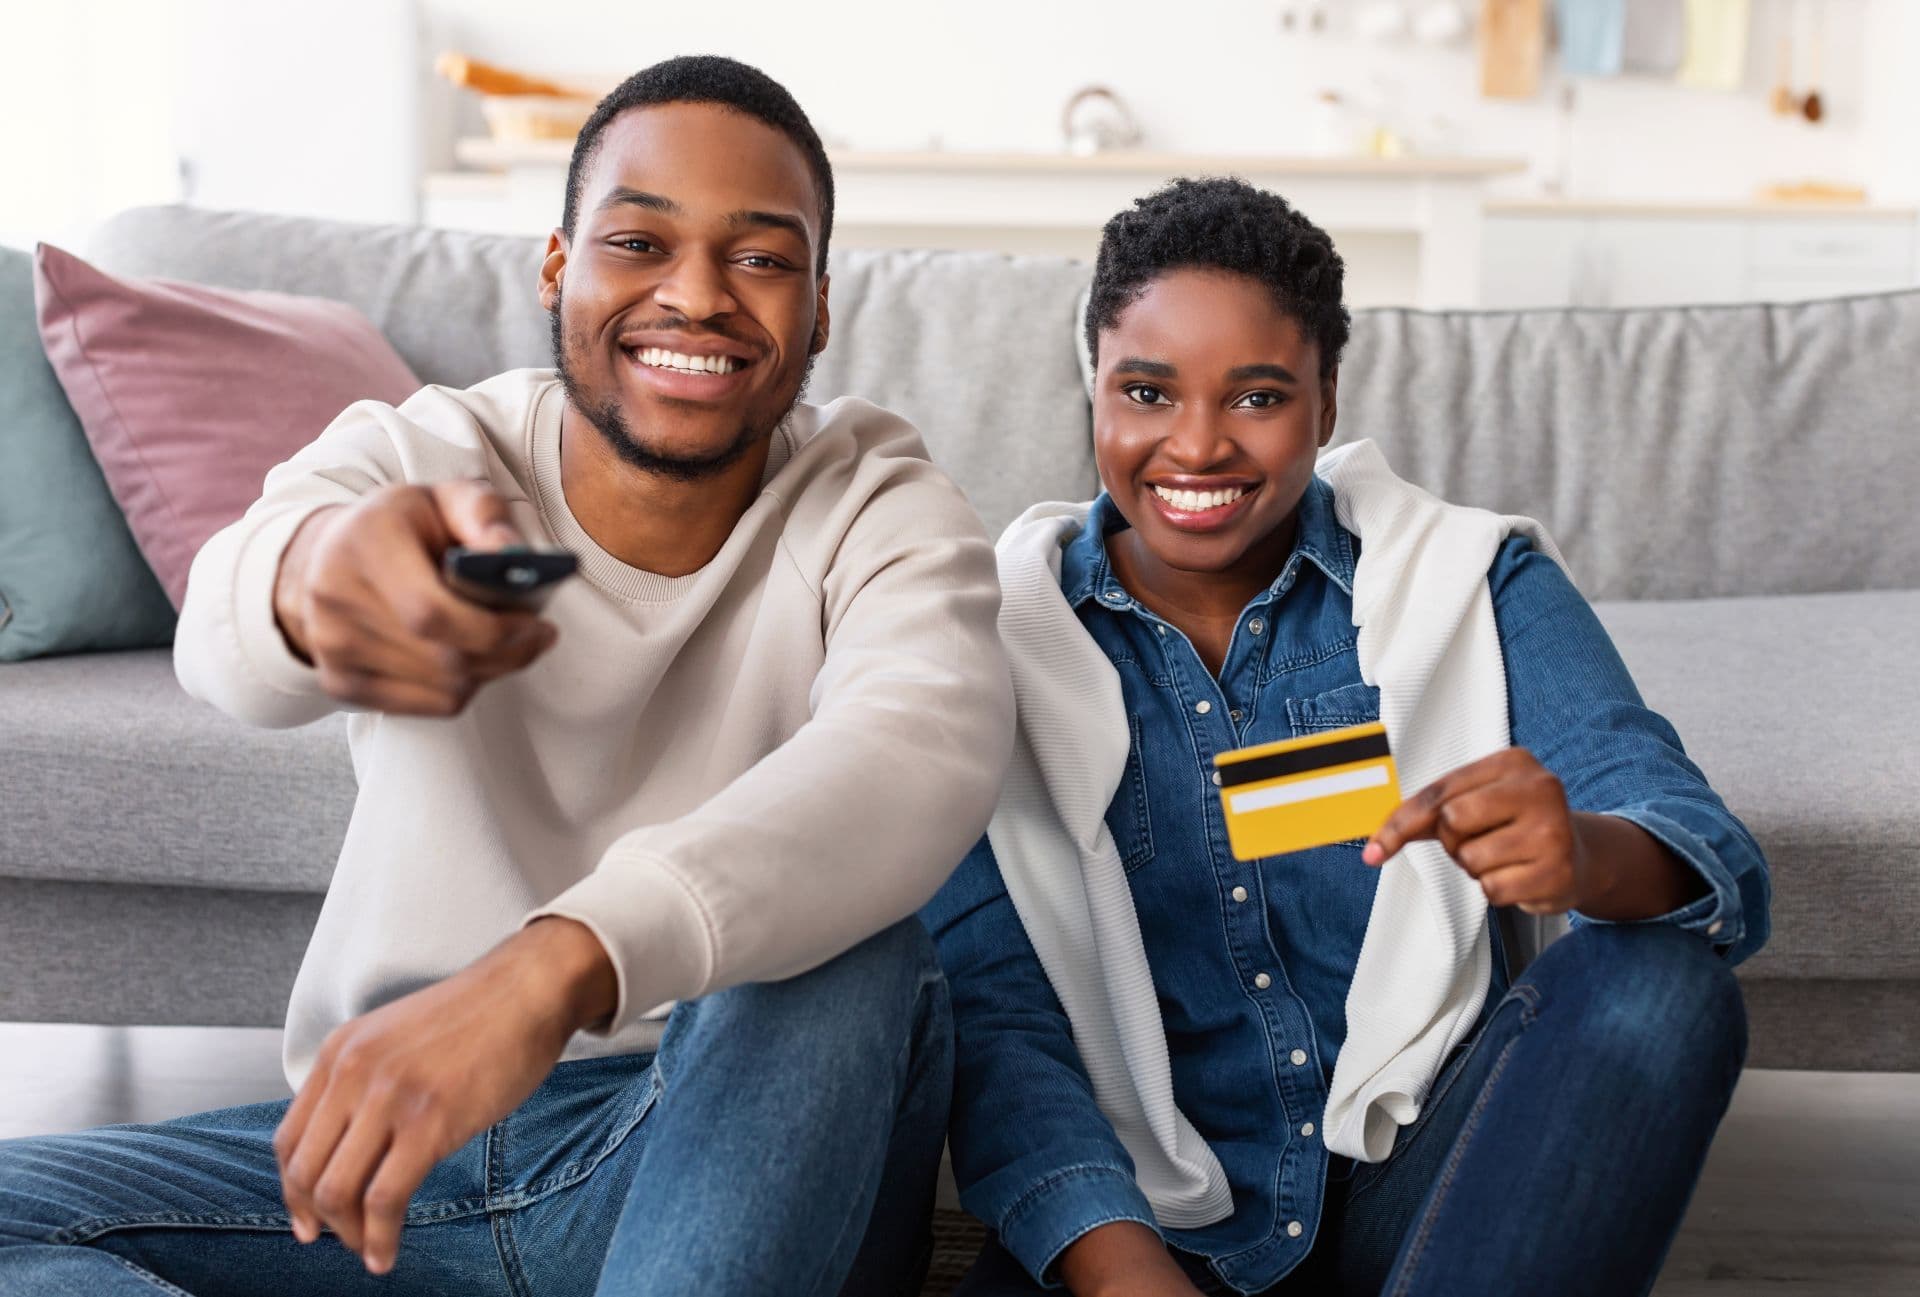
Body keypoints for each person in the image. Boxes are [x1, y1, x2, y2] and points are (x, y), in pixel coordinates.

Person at [0, 56, 1014, 1297]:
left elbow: (919, 752)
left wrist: (556, 964)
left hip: (702, 1141)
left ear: (817, 303)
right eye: (639, 241)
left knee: (856, 958)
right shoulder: (425, 450)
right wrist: (317, 584)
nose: (697, 297)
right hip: (396, 1167)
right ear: (557, 266)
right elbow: (229, 624)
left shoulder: (881, 502)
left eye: (759, 257)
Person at [926, 177, 1769, 1297]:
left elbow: (1709, 857)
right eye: (1146, 390)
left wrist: (1583, 853)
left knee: (1664, 987)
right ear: (1095, 391)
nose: (1196, 446)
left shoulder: (1470, 583)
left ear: (1326, 402)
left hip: (1418, 1180)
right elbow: (998, 1030)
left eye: (1258, 396)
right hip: (1140, 1225)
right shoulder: (979, 642)